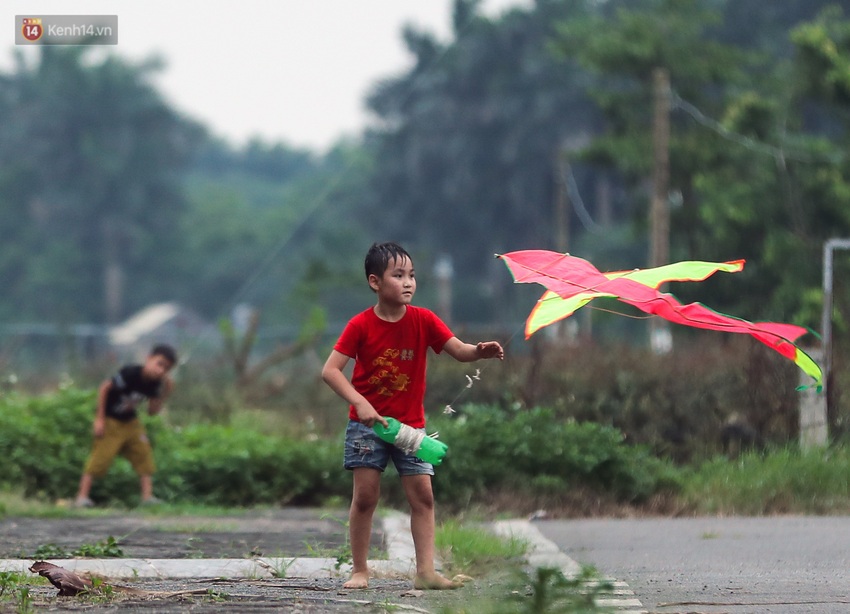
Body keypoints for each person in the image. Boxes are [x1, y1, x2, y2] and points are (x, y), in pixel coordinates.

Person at [321, 242, 504, 590]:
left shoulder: (424, 320)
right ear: (375, 282)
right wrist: (359, 401)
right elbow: (330, 371)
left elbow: (458, 350)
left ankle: (426, 572)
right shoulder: (360, 325)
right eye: (398, 275)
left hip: (410, 429)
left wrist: (478, 351)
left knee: (423, 495)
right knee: (366, 496)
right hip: (367, 427)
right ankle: (360, 570)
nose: (408, 282)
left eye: (412, 275)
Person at [74, 343, 177, 508]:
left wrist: (165, 393)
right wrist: (99, 419)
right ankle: (81, 497)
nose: (161, 370)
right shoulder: (131, 373)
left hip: (130, 422)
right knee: (100, 457)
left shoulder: (154, 384)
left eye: (166, 369)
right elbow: (104, 388)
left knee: (143, 454)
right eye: (159, 364)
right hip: (111, 420)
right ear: (149, 359)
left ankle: (147, 497)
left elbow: (152, 411)